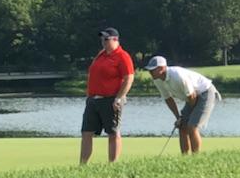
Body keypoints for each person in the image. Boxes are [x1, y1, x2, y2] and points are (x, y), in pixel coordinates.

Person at [79, 27, 134, 164]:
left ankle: (112, 164)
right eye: (102, 39)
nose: (103, 41)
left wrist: (119, 98)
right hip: (93, 100)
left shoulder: (122, 56)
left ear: (115, 39)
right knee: (86, 132)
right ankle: (82, 165)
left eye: (106, 39)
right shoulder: (101, 54)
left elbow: (129, 78)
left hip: (111, 99)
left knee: (113, 132)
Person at [144, 55, 220, 154]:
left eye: (153, 69)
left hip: (205, 92)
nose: (150, 72)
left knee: (192, 126)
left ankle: (196, 157)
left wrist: (188, 115)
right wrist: (178, 117)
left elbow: (192, 96)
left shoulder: (177, 76)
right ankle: (184, 158)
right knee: (182, 126)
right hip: (192, 97)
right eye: (150, 70)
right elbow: (168, 99)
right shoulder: (157, 80)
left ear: (162, 68)